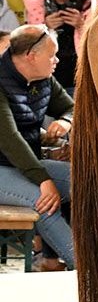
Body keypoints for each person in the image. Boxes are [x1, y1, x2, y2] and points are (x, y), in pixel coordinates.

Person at [0, 25, 75, 271]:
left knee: (91, 182)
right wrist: (44, 180)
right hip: (6, 167)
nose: (57, 60)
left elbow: (72, 107)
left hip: (26, 164)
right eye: (51, 55)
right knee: (42, 200)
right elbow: (9, 139)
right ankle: (90, 271)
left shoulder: (44, 79)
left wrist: (66, 121)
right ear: (30, 56)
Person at [23, 0, 91, 96]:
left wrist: (81, 25)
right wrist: (45, 25)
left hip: (78, 72)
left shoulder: (92, 2)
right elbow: (26, 39)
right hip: (45, 74)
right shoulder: (36, 2)